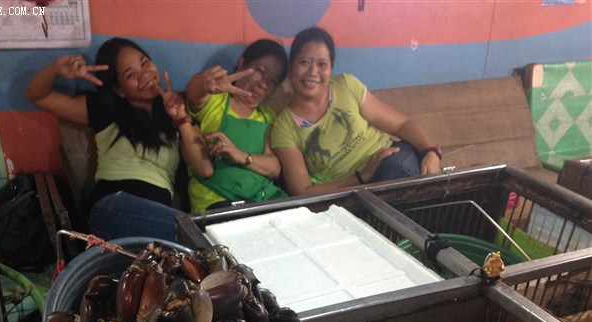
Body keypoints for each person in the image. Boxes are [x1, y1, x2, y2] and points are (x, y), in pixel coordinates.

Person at [24, 38, 198, 241]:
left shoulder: (176, 111)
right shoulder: (107, 110)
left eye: (144, 63)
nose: (145, 74)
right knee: (194, 235)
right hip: (113, 206)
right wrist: (57, 69)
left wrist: (180, 118)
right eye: (131, 74)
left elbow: (202, 168)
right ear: (119, 89)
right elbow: (36, 96)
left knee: (194, 237)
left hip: (159, 216)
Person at [270, 27, 441, 196]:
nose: (313, 72)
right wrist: (360, 177)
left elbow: (402, 124)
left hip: (391, 161)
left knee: (393, 178)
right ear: (291, 68)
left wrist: (430, 151)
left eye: (322, 64)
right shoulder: (284, 127)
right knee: (377, 198)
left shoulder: (346, 85)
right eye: (304, 62)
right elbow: (302, 191)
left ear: (330, 70)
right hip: (350, 193)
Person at [185, 39, 289, 212]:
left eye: (273, 80)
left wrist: (239, 155)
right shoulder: (215, 100)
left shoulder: (267, 116)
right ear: (242, 64)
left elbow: (274, 168)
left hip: (262, 200)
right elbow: (193, 94)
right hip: (217, 201)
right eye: (259, 71)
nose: (263, 84)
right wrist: (204, 83)